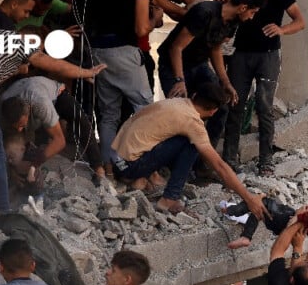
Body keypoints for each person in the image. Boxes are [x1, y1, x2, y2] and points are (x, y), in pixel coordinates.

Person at [0, 28, 105, 212]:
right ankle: (2, 212)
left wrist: (18, 69)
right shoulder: (20, 42)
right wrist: (86, 72)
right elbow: (51, 64)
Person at [110, 83, 267, 217]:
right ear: (213, 111)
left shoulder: (178, 103)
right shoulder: (192, 122)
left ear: (194, 95)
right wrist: (249, 198)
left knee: (170, 136)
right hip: (129, 166)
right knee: (191, 144)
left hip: (116, 159)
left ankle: (144, 177)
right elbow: (219, 166)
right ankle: (169, 199)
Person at [158, 0, 266, 162]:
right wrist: (180, 80)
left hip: (199, 64)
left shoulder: (232, 22)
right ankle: (170, 163)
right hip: (173, 66)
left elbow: (215, 49)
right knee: (181, 112)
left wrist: (226, 82)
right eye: (252, 12)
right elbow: (176, 47)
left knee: (221, 106)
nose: (252, 17)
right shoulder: (204, 12)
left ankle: (202, 161)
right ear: (243, 7)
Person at [222, 0, 306, 174]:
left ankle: (266, 161)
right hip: (241, 54)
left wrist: (282, 30)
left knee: (264, 105)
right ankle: (228, 160)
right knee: (235, 104)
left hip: (268, 55)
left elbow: (300, 21)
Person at [77, 0, 155, 173]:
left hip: (97, 51)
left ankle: (108, 169)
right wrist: (155, 19)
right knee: (146, 110)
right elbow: (141, 29)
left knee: (109, 114)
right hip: (125, 52)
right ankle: (146, 170)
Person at [0, 76, 102, 174]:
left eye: (22, 125)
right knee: (22, 141)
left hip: (55, 94)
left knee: (81, 121)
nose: (20, 129)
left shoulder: (41, 104)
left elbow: (60, 141)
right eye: (17, 126)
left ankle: (98, 168)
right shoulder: (1, 110)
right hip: (29, 91)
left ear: (29, 110)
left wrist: (34, 165)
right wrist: (12, 171)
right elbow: (2, 145)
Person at [224, 193, 308, 249]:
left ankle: (232, 210)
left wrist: (298, 216)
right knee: (259, 211)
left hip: (289, 220)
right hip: (287, 227)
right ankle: (246, 237)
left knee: (262, 203)